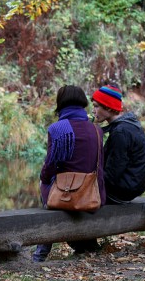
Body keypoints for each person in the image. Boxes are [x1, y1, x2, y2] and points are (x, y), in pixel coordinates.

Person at [32, 85, 106, 263]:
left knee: (45, 185)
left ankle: (41, 252)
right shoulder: (96, 130)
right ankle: (86, 245)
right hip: (92, 193)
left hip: (66, 194)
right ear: (83, 103)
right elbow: (100, 166)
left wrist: (43, 179)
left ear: (61, 103)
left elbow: (50, 166)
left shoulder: (58, 129)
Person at [91, 83, 145, 205]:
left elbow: (112, 174)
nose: (93, 111)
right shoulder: (129, 124)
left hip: (122, 191)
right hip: (132, 187)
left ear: (108, 107)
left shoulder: (121, 132)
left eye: (96, 106)